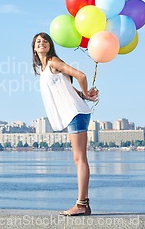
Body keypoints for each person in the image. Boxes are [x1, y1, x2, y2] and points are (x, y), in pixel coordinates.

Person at [31, 32, 98, 216]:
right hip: (74, 113)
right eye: (38, 42)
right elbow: (69, 89)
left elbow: (81, 75)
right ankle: (83, 203)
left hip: (76, 113)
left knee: (80, 159)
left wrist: (85, 91)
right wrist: (85, 95)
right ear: (34, 49)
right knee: (79, 159)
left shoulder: (53, 62)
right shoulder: (45, 69)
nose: (41, 43)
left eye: (45, 41)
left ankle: (82, 204)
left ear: (50, 45)